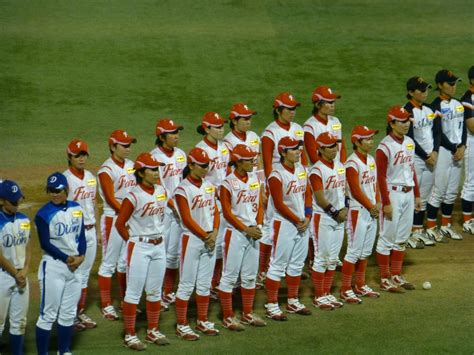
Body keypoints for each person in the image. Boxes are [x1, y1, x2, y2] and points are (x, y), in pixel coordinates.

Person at [116, 153, 169, 350]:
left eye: (157, 169)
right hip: (139, 247)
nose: (157, 172)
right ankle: (130, 335)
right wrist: (132, 241)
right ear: (141, 172)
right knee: (134, 292)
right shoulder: (133, 196)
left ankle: (152, 330)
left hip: (159, 246)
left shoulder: (161, 191)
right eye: (153, 169)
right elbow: (120, 223)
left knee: (155, 291)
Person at [258, 92, 306, 288]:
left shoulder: (298, 129)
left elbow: (302, 158)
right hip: (278, 181)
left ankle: (291, 265)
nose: (293, 112)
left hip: (295, 179)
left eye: (294, 108)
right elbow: (267, 161)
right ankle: (263, 270)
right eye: (289, 109)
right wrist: (267, 185)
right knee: (270, 228)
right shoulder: (270, 133)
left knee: (297, 225)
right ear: (278, 110)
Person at [35, 172, 86, 355]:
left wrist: (81, 257)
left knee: (68, 313)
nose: (55, 194)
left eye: (58, 190)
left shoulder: (77, 208)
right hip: (54, 267)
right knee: (48, 314)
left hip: (75, 267)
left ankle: (63, 351)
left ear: (66, 190)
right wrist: (67, 259)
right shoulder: (43, 214)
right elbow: (44, 243)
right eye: (51, 191)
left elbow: (81, 236)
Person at [173, 148, 220, 340]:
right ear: (191, 165)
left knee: (204, 283)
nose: (205, 168)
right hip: (192, 239)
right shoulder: (182, 189)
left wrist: (215, 232)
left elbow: (215, 210)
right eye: (201, 165)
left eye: (207, 165)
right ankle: (182, 324)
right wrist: (205, 235)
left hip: (210, 238)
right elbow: (186, 218)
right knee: (186, 284)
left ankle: (202, 320)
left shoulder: (209, 185)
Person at [218, 144, 266, 330]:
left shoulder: (254, 178)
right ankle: (228, 317)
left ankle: (247, 314)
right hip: (236, 234)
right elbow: (227, 213)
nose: (253, 162)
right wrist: (247, 229)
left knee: (249, 276)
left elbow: (260, 204)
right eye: (248, 159)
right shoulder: (227, 183)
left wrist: (259, 225)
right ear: (238, 162)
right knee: (229, 277)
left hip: (254, 233)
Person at [264, 137, 312, 320]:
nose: (299, 151)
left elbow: (308, 193)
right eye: (293, 149)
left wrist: (307, 216)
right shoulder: (276, 175)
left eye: (299, 148)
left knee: (297, 264)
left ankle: (292, 301)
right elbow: (279, 204)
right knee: (277, 265)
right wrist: (297, 220)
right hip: (284, 224)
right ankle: (272, 304)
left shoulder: (301, 170)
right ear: (283, 152)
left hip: (302, 224)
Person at [375, 106, 421, 293]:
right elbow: (380, 177)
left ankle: (396, 275)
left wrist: (417, 194)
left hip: (408, 194)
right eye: (401, 121)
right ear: (392, 123)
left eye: (407, 120)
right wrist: (386, 202)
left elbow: (411, 169)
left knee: (402, 237)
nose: (406, 124)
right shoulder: (384, 147)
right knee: (386, 238)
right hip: (392, 194)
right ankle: (385, 278)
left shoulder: (410, 142)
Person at [97, 130, 137, 320]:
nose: (128, 148)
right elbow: (111, 198)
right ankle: (106, 304)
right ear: (113, 146)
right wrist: (129, 213)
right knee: (108, 264)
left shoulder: (131, 165)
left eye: (129, 145)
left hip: (128, 218)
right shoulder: (106, 170)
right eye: (124, 145)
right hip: (113, 218)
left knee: (124, 262)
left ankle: (124, 300)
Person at [339, 126, 380, 304]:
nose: (371, 141)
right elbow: (355, 190)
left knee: (365, 252)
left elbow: (375, 184)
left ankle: (360, 285)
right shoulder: (352, 163)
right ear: (357, 142)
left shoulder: (370, 159)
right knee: (353, 252)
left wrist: (377, 203)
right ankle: (345, 288)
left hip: (371, 211)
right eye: (367, 139)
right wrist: (372, 206)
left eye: (372, 138)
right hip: (358, 212)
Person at [425, 70, 466, 242]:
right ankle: (431, 227)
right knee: (439, 190)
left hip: (458, 152)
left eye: (455, 83)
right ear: (440, 85)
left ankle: (446, 225)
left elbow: (463, 128)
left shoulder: (458, 104)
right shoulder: (434, 106)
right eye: (450, 84)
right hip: (443, 151)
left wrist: (462, 146)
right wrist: (454, 148)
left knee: (451, 191)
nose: (453, 87)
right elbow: (438, 132)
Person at [150, 118, 186, 310]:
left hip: (178, 210)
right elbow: (157, 186)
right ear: (162, 136)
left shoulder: (181, 155)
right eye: (172, 133)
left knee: (173, 253)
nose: (176, 136)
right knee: (159, 254)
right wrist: (174, 205)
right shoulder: (154, 157)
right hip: (162, 212)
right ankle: (154, 294)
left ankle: (168, 292)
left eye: (177, 132)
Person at [309, 132, 347, 311]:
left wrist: (345, 207)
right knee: (321, 258)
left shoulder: (340, 166)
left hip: (340, 217)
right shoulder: (316, 170)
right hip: (323, 218)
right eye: (330, 146)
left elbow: (344, 190)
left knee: (333, 258)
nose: (335, 149)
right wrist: (335, 212)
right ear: (321, 149)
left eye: (335, 145)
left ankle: (326, 292)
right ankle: (318, 295)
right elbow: (320, 198)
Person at [63, 139, 98, 330]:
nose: (82, 158)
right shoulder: (65, 179)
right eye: (77, 155)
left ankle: (78, 312)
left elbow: (93, 205)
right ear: (69, 156)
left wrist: (98, 230)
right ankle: (69, 314)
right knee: (73, 275)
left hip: (91, 231)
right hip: (75, 235)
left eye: (84, 154)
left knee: (84, 276)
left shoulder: (92, 177)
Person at [195, 112, 230, 297]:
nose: (221, 129)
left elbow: (228, 170)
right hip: (208, 203)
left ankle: (214, 283)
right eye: (216, 127)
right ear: (207, 128)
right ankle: (203, 284)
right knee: (208, 245)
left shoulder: (224, 147)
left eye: (222, 126)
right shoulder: (201, 150)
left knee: (220, 246)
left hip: (224, 202)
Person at [404, 77, 439, 248]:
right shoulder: (407, 111)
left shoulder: (429, 109)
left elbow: (437, 131)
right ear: (411, 92)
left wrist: (435, 152)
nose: (425, 92)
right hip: (415, 159)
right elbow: (409, 138)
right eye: (421, 89)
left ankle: (417, 230)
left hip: (430, 158)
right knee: (413, 197)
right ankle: (407, 232)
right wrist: (426, 156)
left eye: (426, 89)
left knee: (424, 196)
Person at [0, 180, 31, 355]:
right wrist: (16, 274)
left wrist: (25, 270)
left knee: (19, 322)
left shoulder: (24, 220)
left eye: (18, 200)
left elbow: (28, 246)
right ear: (2, 200)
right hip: (3, 276)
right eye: (13, 202)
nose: (17, 204)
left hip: (21, 276)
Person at [303, 86, 347, 165]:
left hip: (337, 171)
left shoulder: (336, 121)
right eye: (329, 102)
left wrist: (342, 166)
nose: (332, 105)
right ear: (317, 104)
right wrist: (326, 170)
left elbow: (342, 147)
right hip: (320, 171)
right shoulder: (310, 126)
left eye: (333, 102)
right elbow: (313, 156)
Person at [223, 103, 263, 174]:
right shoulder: (228, 142)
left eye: (249, 118)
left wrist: (261, 175)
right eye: (245, 119)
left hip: (257, 178)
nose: (248, 122)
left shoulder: (254, 135)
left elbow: (260, 156)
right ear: (234, 121)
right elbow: (228, 167)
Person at [461, 66, 474, 235]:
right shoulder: (467, 98)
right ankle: (466, 220)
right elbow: (472, 126)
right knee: (471, 181)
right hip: (472, 144)